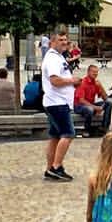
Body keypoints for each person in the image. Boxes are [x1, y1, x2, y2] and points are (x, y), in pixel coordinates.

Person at [42, 31, 76, 182]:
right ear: (52, 42)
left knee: (55, 136)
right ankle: (57, 166)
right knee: (68, 134)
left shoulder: (57, 57)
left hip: (57, 102)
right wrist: (73, 81)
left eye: (65, 40)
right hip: (57, 102)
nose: (64, 42)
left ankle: (50, 168)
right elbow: (55, 80)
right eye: (60, 40)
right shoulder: (53, 59)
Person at [74, 63, 112, 137]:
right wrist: (95, 107)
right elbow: (81, 100)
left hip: (90, 104)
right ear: (88, 72)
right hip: (79, 106)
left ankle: (104, 128)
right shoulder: (82, 83)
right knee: (90, 109)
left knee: (109, 103)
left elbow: (105, 98)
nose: (95, 74)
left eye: (96, 72)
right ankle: (87, 130)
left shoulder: (95, 83)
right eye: (93, 72)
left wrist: (100, 86)